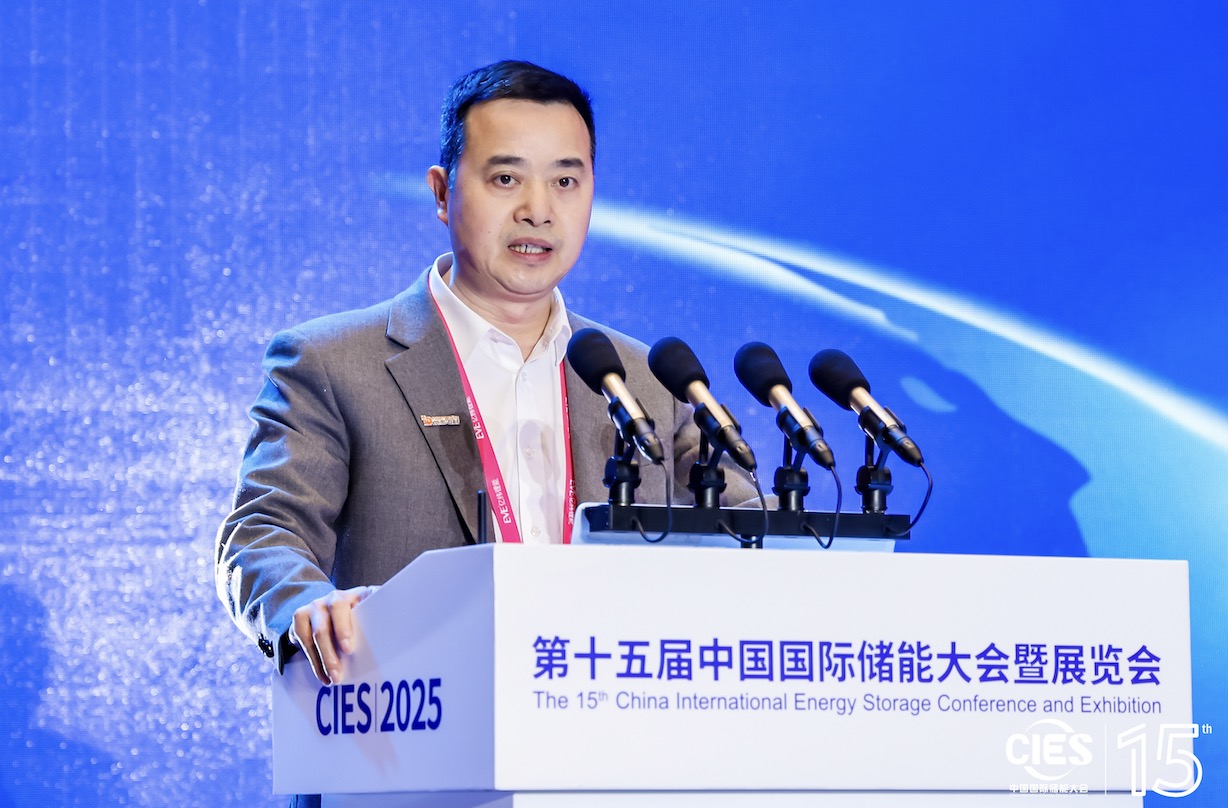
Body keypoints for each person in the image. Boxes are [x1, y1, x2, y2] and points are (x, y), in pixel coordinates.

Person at [215, 60, 756, 697]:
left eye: (565, 181)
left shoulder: (646, 379)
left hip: (611, 720)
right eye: (506, 178)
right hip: (418, 722)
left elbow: (751, 532)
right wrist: (304, 605)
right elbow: (264, 534)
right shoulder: (332, 364)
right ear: (442, 193)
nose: (538, 211)